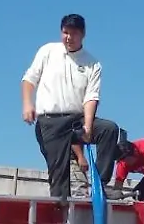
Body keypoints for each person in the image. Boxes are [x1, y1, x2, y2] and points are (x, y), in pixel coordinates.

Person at [21, 14, 124, 200]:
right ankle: (59, 211)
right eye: (65, 33)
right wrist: (28, 104)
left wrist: (88, 126)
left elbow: (91, 97)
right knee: (59, 175)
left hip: (76, 120)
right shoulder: (48, 51)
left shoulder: (92, 63)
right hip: (50, 121)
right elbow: (29, 79)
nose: (68, 37)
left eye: (73, 33)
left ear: (82, 34)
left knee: (109, 129)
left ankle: (99, 184)